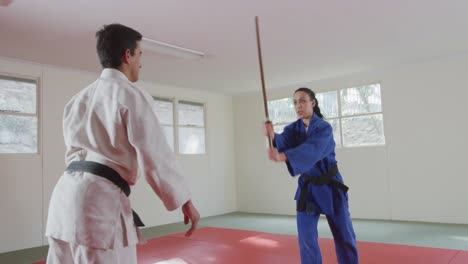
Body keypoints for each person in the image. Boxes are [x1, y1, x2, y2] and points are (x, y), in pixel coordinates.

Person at [45, 23, 200, 263]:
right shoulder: (131, 94)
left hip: (64, 197)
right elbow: (155, 155)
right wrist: (185, 200)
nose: (141, 62)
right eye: (140, 54)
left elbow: (75, 152)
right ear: (127, 55)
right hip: (98, 202)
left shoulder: (77, 100)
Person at [264, 87, 359, 264]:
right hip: (308, 189)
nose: (298, 106)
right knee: (306, 238)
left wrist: (283, 156)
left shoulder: (324, 128)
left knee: (344, 235)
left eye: (302, 101)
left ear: (312, 103)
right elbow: (283, 140)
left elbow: (312, 150)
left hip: (331, 186)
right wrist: (272, 135)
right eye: (294, 102)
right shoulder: (293, 129)